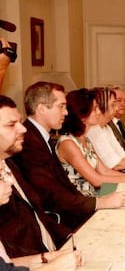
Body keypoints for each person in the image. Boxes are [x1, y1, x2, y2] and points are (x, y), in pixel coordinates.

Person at [13, 82, 125, 231]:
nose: (65, 112)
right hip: (60, 220)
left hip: (78, 204)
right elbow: (51, 195)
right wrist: (101, 202)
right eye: (61, 106)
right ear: (42, 109)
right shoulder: (30, 143)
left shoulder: (41, 137)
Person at [0, 95, 70, 257]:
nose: (23, 128)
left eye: (20, 121)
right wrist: (47, 261)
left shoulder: (10, 162)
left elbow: (37, 213)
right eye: (11, 125)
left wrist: (69, 238)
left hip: (53, 249)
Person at [57, 89, 125, 196]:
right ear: (81, 115)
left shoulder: (86, 140)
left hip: (96, 193)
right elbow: (96, 180)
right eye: (95, 109)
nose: (99, 112)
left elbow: (105, 171)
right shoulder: (68, 143)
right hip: (82, 201)